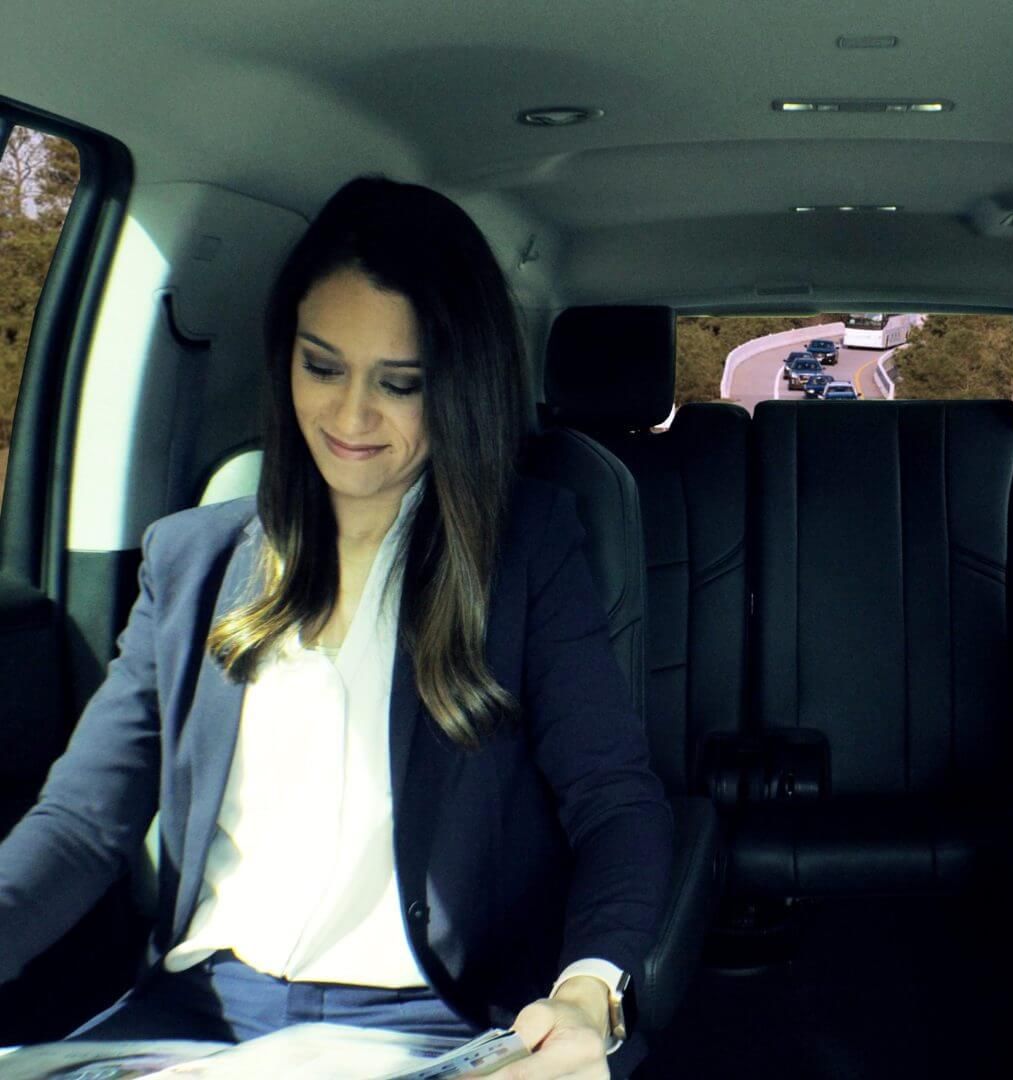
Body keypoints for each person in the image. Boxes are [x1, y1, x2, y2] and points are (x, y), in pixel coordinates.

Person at [0, 177, 673, 1079]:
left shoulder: (526, 554)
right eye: (323, 367)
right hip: (192, 1026)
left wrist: (589, 992)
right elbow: (82, 825)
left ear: (460, 389)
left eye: (400, 384)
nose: (352, 418)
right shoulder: (191, 560)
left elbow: (614, 801)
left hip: (431, 1029)